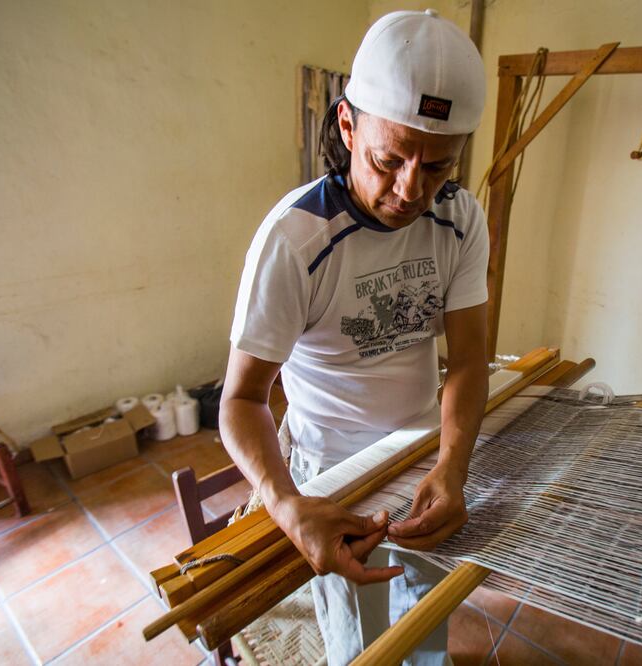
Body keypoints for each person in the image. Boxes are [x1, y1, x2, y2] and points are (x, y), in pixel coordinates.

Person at [221, 9, 488, 665]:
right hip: (333, 479)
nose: (410, 190)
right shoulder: (296, 240)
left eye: (436, 168)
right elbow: (241, 401)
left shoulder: (458, 218)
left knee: (423, 617)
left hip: (421, 459)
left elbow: (469, 360)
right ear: (347, 124)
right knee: (363, 645)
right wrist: (287, 505)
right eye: (388, 160)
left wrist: (451, 464)